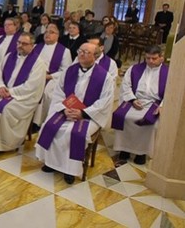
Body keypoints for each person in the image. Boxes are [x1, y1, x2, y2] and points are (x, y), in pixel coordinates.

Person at [35, 42, 114, 184]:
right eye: (80, 50)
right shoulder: (69, 71)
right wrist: (64, 109)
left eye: (86, 52)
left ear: (95, 56)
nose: (81, 54)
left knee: (75, 134)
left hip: (89, 116)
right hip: (67, 110)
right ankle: (51, 163)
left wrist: (83, 113)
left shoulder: (105, 77)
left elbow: (104, 102)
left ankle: (69, 170)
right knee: (50, 126)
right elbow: (58, 93)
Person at [0, 33, 46, 157]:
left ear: (32, 46)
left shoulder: (38, 63)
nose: (20, 46)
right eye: (19, 42)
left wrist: (9, 92)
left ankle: (2, 145)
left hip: (25, 98)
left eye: (24, 44)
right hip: (4, 91)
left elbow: (31, 86)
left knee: (5, 109)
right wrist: (0, 87)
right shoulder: (9, 56)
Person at [112, 45, 168, 165]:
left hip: (154, 103)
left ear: (161, 58)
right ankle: (124, 149)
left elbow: (170, 92)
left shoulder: (168, 73)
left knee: (149, 123)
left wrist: (162, 105)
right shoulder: (134, 69)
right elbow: (126, 86)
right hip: (135, 100)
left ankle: (141, 152)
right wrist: (132, 100)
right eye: (147, 58)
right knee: (123, 117)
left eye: (154, 58)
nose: (150, 61)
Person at [32, 23, 72, 127]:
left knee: (47, 93)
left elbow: (66, 71)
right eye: (46, 32)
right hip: (34, 76)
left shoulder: (64, 51)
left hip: (51, 78)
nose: (47, 34)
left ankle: (39, 122)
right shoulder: (36, 47)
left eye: (51, 32)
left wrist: (49, 77)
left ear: (58, 35)